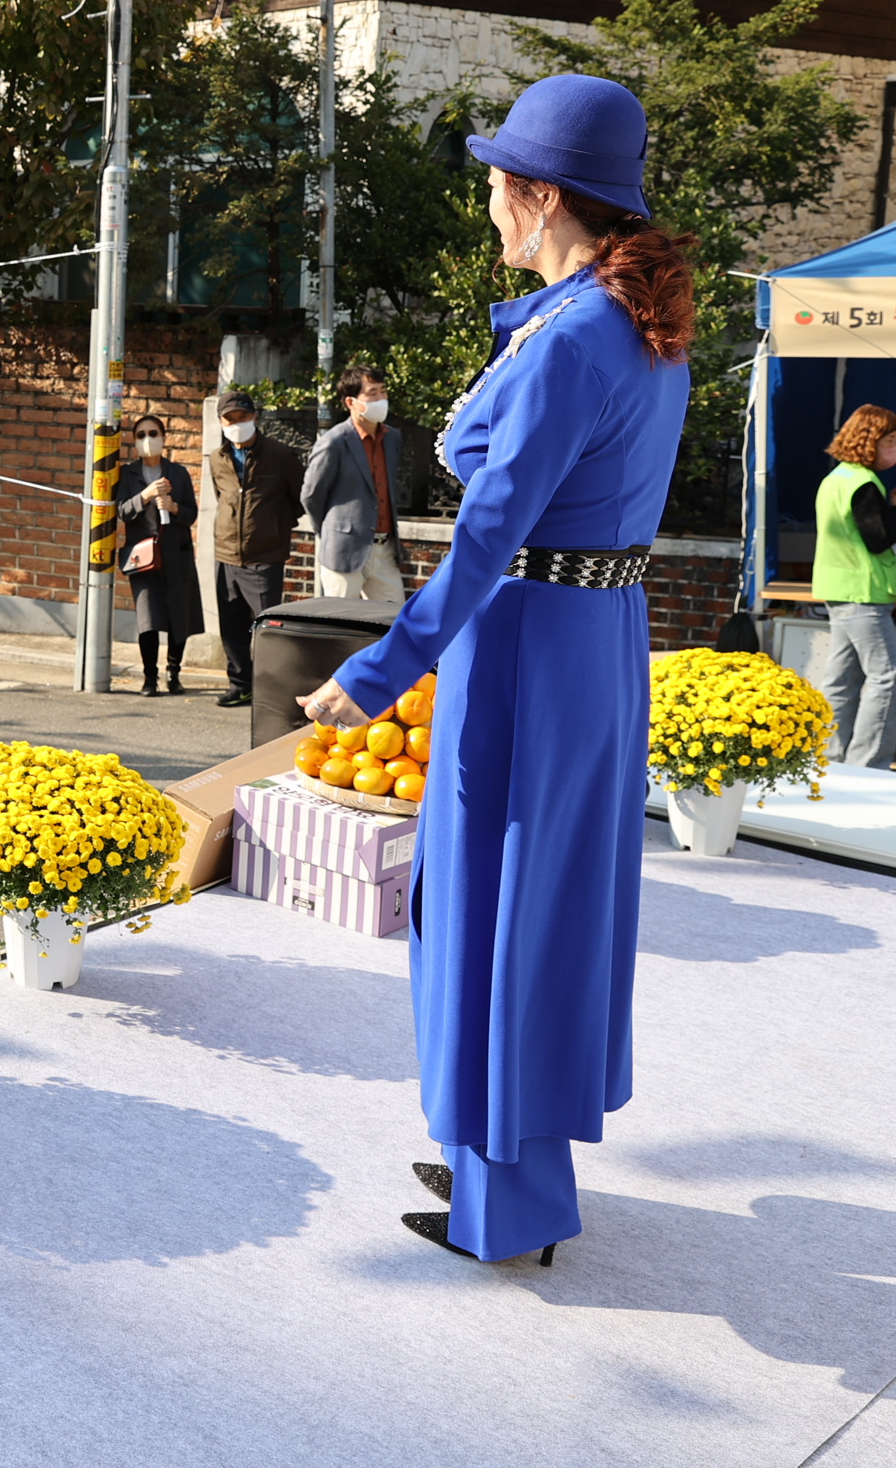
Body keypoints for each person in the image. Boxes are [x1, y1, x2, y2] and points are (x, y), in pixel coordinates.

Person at [296, 72, 693, 1267]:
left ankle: (509, 1199)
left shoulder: (574, 338)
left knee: (492, 910)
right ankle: (490, 1153)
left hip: (524, 644)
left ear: (536, 197)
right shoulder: (631, 325)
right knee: (533, 909)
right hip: (590, 647)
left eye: (492, 189)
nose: (484, 210)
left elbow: (488, 534)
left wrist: (375, 671)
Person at [811, 403, 896, 771]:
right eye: (891, 440)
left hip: (839, 591)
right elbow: (878, 538)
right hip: (863, 594)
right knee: (889, 679)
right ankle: (869, 766)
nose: (895, 448)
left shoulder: (836, 478)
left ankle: (829, 758)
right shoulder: (864, 483)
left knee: (841, 679)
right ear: (870, 442)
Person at [207, 391, 302, 710]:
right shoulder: (217, 458)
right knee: (231, 626)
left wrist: (273, 527)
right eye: (230, 419)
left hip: (265, 556)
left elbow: (297, 499)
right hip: (226, 554)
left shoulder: (280, 455)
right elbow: (222, 497)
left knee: (266, 628)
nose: (237, 424)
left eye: (243, 417)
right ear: (220, 423)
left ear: (255, 417)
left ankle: (269, 688)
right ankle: (240, 684)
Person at [117, 413, 204, 696]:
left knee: (179, 614)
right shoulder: (128, 474)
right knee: (148, 618)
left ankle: (173, 673)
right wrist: (145, 495)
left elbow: (191, 513)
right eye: (141, 435)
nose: (147, 440)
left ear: (163, 438)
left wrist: (174, 506)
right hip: (143, 556)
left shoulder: (177, 473)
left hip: (176, 554)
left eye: (153, 434)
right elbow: (122, 511)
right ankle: (149, 677)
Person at [303, 365, 407, 600]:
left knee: (392, 623)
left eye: (383, 392)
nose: (380, 399)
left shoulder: (393, 438)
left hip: (385, 551)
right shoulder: (333, 442)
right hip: (343, 552)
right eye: (372, 394)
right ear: (351, 402)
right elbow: (311, 495)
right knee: (339, 627)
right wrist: (333, 531)